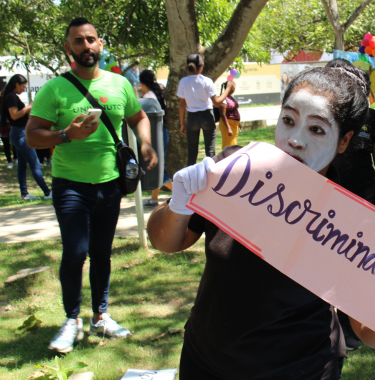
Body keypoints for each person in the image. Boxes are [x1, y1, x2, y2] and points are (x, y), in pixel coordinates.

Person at [147, 66, 375, 379]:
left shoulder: (350, 222)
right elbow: (164, 241)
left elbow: (367, 332)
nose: (295, 140)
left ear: (344, 141)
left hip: (300, 369)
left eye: (317, 129)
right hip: (205, 360)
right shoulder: (236, 171)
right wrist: (178, 204)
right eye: (288, 121)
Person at [25, 17, 158, 353]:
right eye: (78, 41)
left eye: (91, 40)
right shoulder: (55, 89)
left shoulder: (118, 84)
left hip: (110, 183)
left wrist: (144, 144)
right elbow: (31, 135)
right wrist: (65, 135)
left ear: (100, 44)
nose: (86, 46)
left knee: (101, 252)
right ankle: (71, 320)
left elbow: (138, 116)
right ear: (69, 48)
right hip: (71, 185)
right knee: (76, 252)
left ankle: (101, 315)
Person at [327, 58, 375, 351]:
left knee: (356, 264)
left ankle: (350, 324)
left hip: (363, 200)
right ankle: (325, 323)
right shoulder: (322, 114)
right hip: (325, 201)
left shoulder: (372, 119)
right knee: (326, 262)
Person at [0, 74, 52, 200]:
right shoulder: (11, 97)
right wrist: (29, 106)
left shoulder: (11, 96)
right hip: (20, 134)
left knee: (22, 165)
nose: (23, 89)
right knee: (34, 163)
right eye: (22, 87)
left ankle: (24, 194)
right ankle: (47, 193)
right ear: (16, 84)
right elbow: (14, 115)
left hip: (19, 133)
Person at [177, 53, 221, 166]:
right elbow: (216, 103)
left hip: (192, 117)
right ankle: (212, 179)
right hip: (207, 115)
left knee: (192, 154)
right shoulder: (207, 81)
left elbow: (182, 105)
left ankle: (190, 181)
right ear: (202, 65)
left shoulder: (183, 82)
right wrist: (227, 90)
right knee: (210, 153)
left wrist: (182, 123)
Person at [139, 69, 172, 207]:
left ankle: (183, 195)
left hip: (155, 136)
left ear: (142, 83)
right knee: (156, 168)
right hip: (162, 133)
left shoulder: (148, 99)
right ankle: (154, 198)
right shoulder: (155, 95)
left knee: (158, 169)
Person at [215, 80, 240, 149]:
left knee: (234, 144)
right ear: (229, 87)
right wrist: (228, 128)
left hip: (235, 125)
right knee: (228, 145)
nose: (234, 88)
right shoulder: (223, 98)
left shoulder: (230, 97)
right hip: (227, 125)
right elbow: (223, 114)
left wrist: (238, 123)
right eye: (233, 86)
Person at [0, 87, 17, 169]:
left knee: (14, 143)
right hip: (3, 125)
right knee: (6, 144)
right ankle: (9, 161)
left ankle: (15, 158)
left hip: (11, 124)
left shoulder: (11, 101)